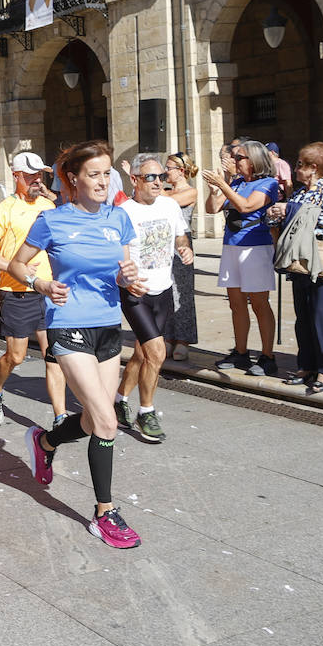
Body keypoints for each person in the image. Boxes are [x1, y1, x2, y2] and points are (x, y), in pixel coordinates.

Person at [9, 140, 144, 549]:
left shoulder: (118, 218)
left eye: (107, 173)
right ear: (73, 179)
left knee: (91, 421)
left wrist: (128, 277)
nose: (103, 181)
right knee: (107, 422)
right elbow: (16, 263)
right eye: (94, 174)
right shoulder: (52, 221)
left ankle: (45, 441)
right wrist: (42, 283)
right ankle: (104, 514)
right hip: (68, 327)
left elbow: (120, 270)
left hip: (107, 327)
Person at [0, 152, 61, 427]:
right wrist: (18, 269)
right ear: (16, 176)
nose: (38, 180)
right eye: (31, 176)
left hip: (48, 291)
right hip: (16, 293)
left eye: (40, 175)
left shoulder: (49, 207)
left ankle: (60, 415)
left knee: (55, 354)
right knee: (16, 356)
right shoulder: (4, 210)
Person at [114, 155, 193, 443]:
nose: (158, 182)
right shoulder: (124, 212)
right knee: (157, 353)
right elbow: (113, 255)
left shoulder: (170, 205)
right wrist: (124, 279)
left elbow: (180, 236)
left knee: (141, 353)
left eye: (161, 176)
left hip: (163, 290)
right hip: (136, 293)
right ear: (134, 180)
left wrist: (184, 250)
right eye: (151, 177)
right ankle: (146, 412)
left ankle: (120, 398)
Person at [271, 142, 323, 393]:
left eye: (300, 164)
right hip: (300, 263)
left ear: (314, 168)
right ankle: (306, 364)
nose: (296, 168)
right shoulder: (299, 193)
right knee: (303, 317)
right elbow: (293, 222)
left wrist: (290, 210)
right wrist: (275, 213)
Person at [201, 140, 281, 377]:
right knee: (236, 304)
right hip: (232, 246)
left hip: (255, 248)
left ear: (255, 161)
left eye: (240, 158)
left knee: (259, 303)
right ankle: (241, 351)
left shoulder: (268, 184)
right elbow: (211, 208)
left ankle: (267, 356)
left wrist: (223, 185)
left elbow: (246, 207)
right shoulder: (235, 183)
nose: (235, 162)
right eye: (234, 158)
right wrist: (217, 187)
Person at [161, 152, 200, 361]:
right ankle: (167, 335)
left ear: (181, 170)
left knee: (182, 291)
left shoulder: (190, 192)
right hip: (164, 244)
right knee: (166, 290)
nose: (165, 172)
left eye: (169, 168)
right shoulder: (165, 190)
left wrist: (157, 189)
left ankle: (183, 339)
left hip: (182, 244)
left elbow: (172, 202)